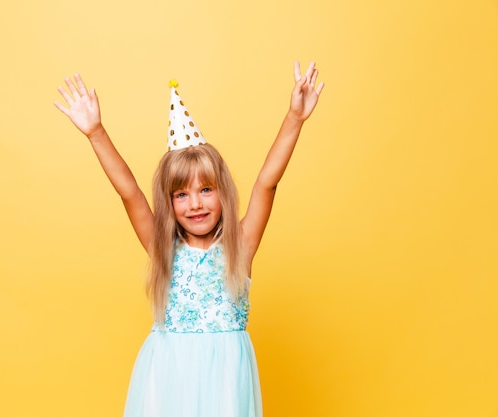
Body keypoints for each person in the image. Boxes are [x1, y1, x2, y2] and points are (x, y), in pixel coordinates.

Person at [54, 61, 324, 417]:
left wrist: (294, 118)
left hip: (226, 380)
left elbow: (266, 183)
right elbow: (130, 193)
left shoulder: (240, 244)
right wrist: (95, 132)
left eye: (206, 190)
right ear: (168, 203)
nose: (195, 203)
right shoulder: (162, 246)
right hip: (168, 377)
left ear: (223, 192)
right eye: (181, 194)